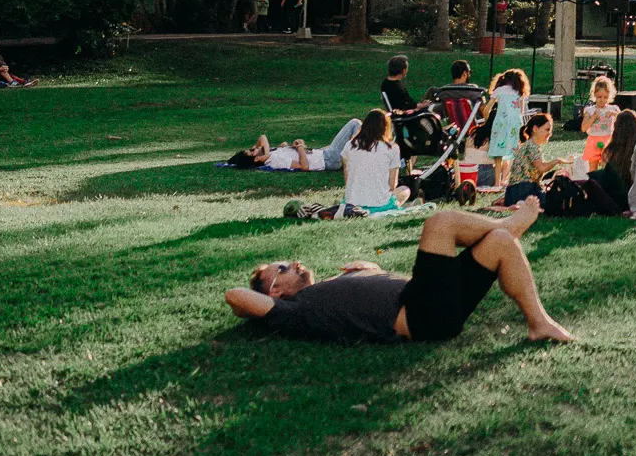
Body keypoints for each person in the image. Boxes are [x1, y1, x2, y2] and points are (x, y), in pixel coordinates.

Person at [224, 201, 572, 343]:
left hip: (435, 305)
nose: (295, 264)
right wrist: (262, 304)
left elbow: (372, 297)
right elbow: (235, 296)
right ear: (275, 292)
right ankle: (509, 222)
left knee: (498, 243)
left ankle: (538, 323)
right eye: (283, 269)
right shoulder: (294, 310)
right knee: (441, 222)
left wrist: (370, 272)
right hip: (422, 315)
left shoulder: (326, 289)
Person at [502, 112, 572, 206]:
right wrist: (557, 160)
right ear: (535, 129)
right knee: (554, 201)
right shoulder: (532, 146)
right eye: (547, 129)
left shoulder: (528, 144)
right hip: (523, 190)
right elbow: (542, 168)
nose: (549, 134)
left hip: (513, 192)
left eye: (550, 130)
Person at [341, 109, 403, 210]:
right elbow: (392, 185)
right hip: (379, 204)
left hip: (352, 203)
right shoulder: (392, 148)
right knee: (405, 190)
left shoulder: (349, 146)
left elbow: (348, 180)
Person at [485, 69, 529, 188]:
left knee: (498, 153)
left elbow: (487, 109)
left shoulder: (499, 90)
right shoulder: (519, 92)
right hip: (515, 124)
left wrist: (486, 120)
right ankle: (507, 179)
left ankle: (497, 183)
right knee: (512, 150)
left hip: (500, 124)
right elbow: (522, 112)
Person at [579, 75, 620, 169]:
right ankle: (593, 183)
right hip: (593, 140)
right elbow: (583, 128)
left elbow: (622, 121)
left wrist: (614, 114)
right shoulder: (589, 110)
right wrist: (593, 117)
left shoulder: (614, 108)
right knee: (593, 169)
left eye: (605, 97)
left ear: (610, 96)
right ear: (594, 95)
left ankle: (605, 183)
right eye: (599, 97)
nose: (602, 100)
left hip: (608, 140)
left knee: (607, 166)